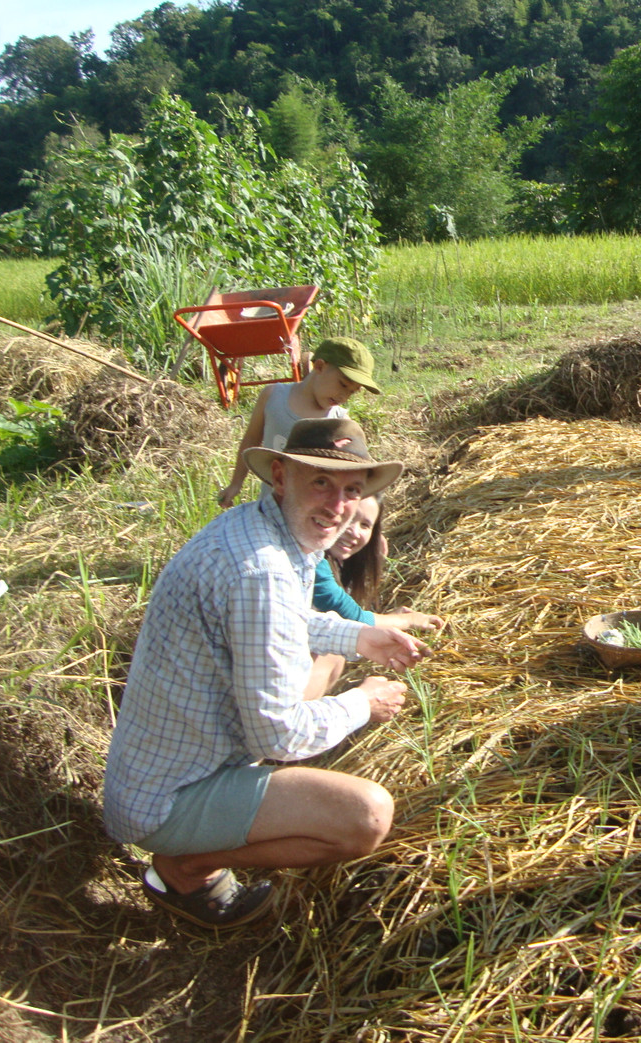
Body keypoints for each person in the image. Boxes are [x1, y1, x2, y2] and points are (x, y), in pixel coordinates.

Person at [103, 418, 433, 929]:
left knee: (329, 661)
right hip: (170, 797)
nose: (338, 506)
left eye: (351, 489)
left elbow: (283, 619)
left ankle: (197, 850)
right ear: (280, 477)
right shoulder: (262, 570)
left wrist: (358, 636)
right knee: (365, 815)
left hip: (166, 770)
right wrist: (362, 704)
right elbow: (277, 733)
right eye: (319, 481)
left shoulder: (259, 531)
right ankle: (185, 868)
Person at [217, 337, 382, 509]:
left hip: (312, 516)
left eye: (352, 392)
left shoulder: (340, 423)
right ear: (319, 366)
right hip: (270, 508)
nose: (344, 397)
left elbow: (353, 475)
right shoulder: (273, 397)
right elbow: (251, 439)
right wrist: (236, 483)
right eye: (342, 384)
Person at [315, 494, 444, 633]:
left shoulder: (340, 562)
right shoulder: (313, 560)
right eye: (349, 518)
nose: (354, 532)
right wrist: (407, 621)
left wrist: (387, 620)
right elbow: (351, 618)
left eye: (365, 525)